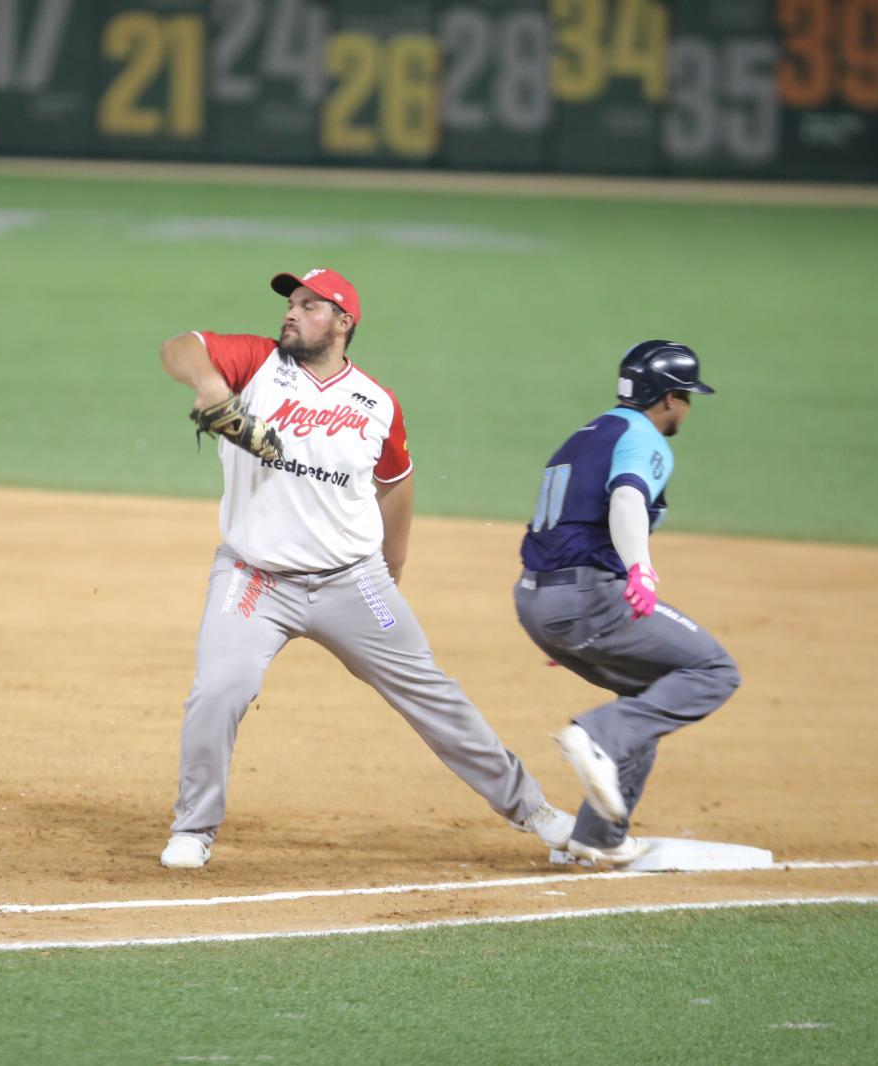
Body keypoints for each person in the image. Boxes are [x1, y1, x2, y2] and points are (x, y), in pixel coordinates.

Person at [157, 267, 575, 869]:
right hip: (255, 579)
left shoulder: (377, 403)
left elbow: (396, 486)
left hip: (352, 582)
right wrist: (211, 387)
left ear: (343, 321)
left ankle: (535, 811)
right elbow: (181, 347)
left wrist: (391, 569)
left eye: (308, 305)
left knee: (431, 694)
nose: (292, 314)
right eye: (290, 304)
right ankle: (194, 829)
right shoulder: (256, 364)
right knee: (220, 691)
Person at [514, 340, 741, 869]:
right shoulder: (644, 438)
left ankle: (600, 836)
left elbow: (562, 521)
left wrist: (562, 623)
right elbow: (627, 498)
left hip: (540, 598)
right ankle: (597, 736)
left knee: (646, 689)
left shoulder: (585, 435)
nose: (687, 409)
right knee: (715, 669)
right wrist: (640, 568)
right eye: (687, 397)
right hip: (584, 597)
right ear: (668, 398)